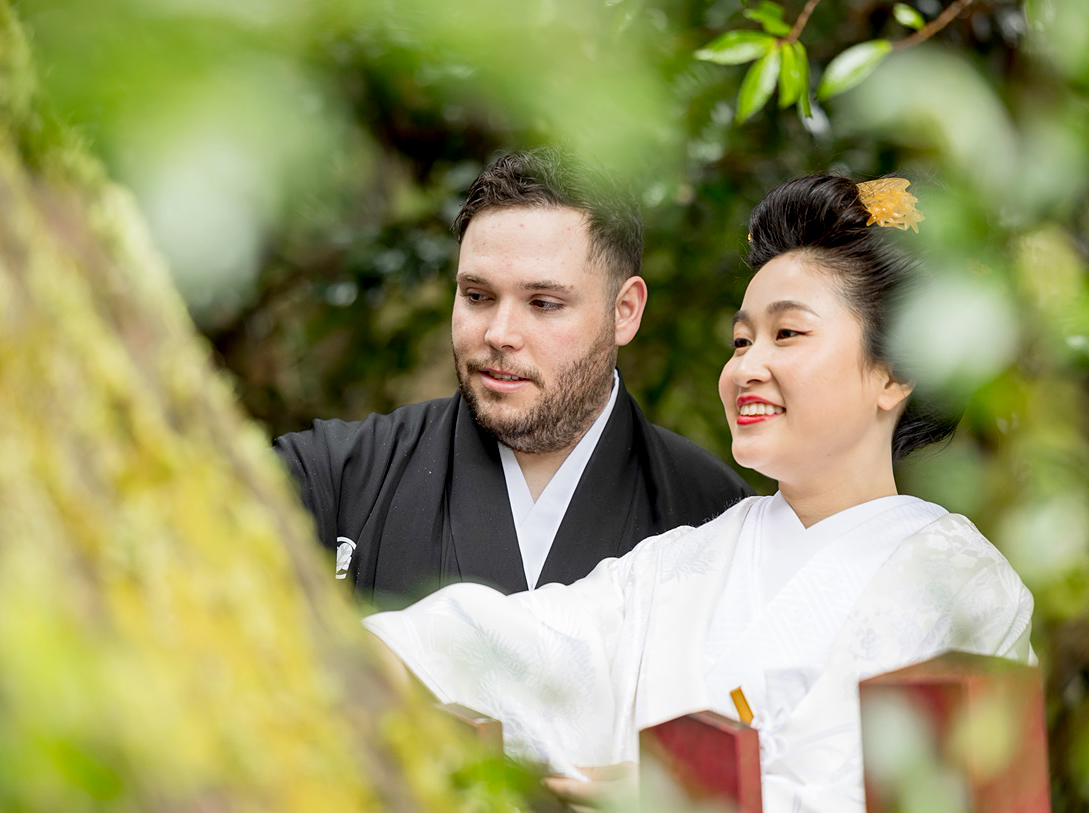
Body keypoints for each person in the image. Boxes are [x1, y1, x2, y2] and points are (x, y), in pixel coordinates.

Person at [364, 175, 1035, 811]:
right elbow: (532, 647)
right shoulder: (682, 564)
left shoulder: (958, 581)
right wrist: (360, 650)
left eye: (787, 333)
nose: (746, 366)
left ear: (892, 373)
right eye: (740, 339)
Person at [274, 148, 750, 604]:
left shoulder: (715, 517)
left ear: (624, 311)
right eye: (477, 296)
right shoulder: (337, 477)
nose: (500, 335)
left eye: (543, 303)